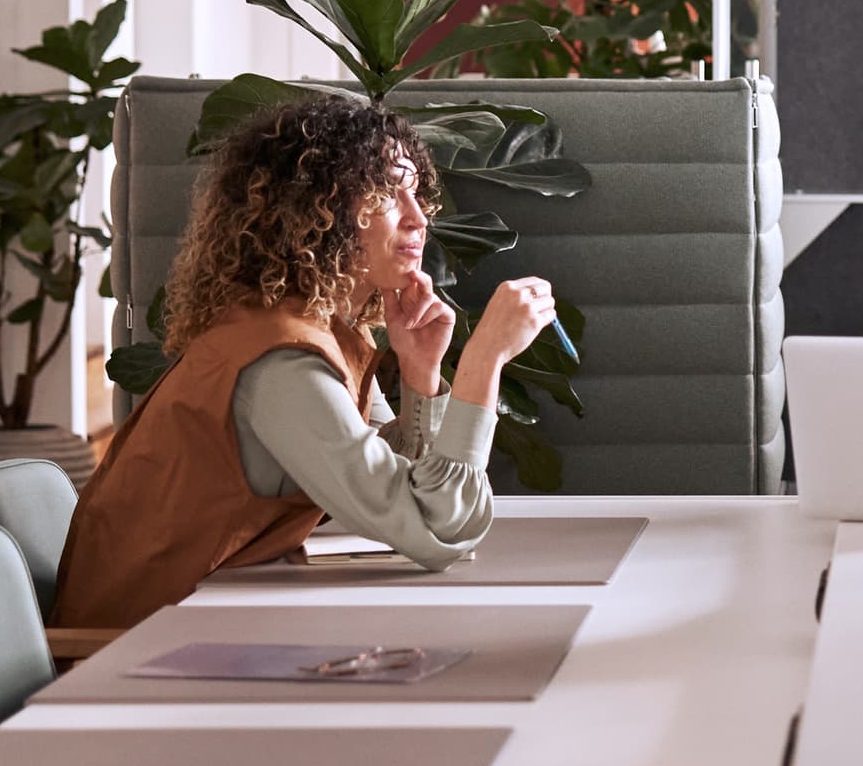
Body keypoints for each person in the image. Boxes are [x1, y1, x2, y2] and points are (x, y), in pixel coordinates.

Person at [53, 95, 558, 629]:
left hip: (207, 624)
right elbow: (435, 530)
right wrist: (484, 360)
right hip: (136, 656)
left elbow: (392, 488)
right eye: (387, 194)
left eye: (416, 195)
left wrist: (420, 374)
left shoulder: (317, 331)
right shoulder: (281, 361)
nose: (418, 219)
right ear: (316, 210)